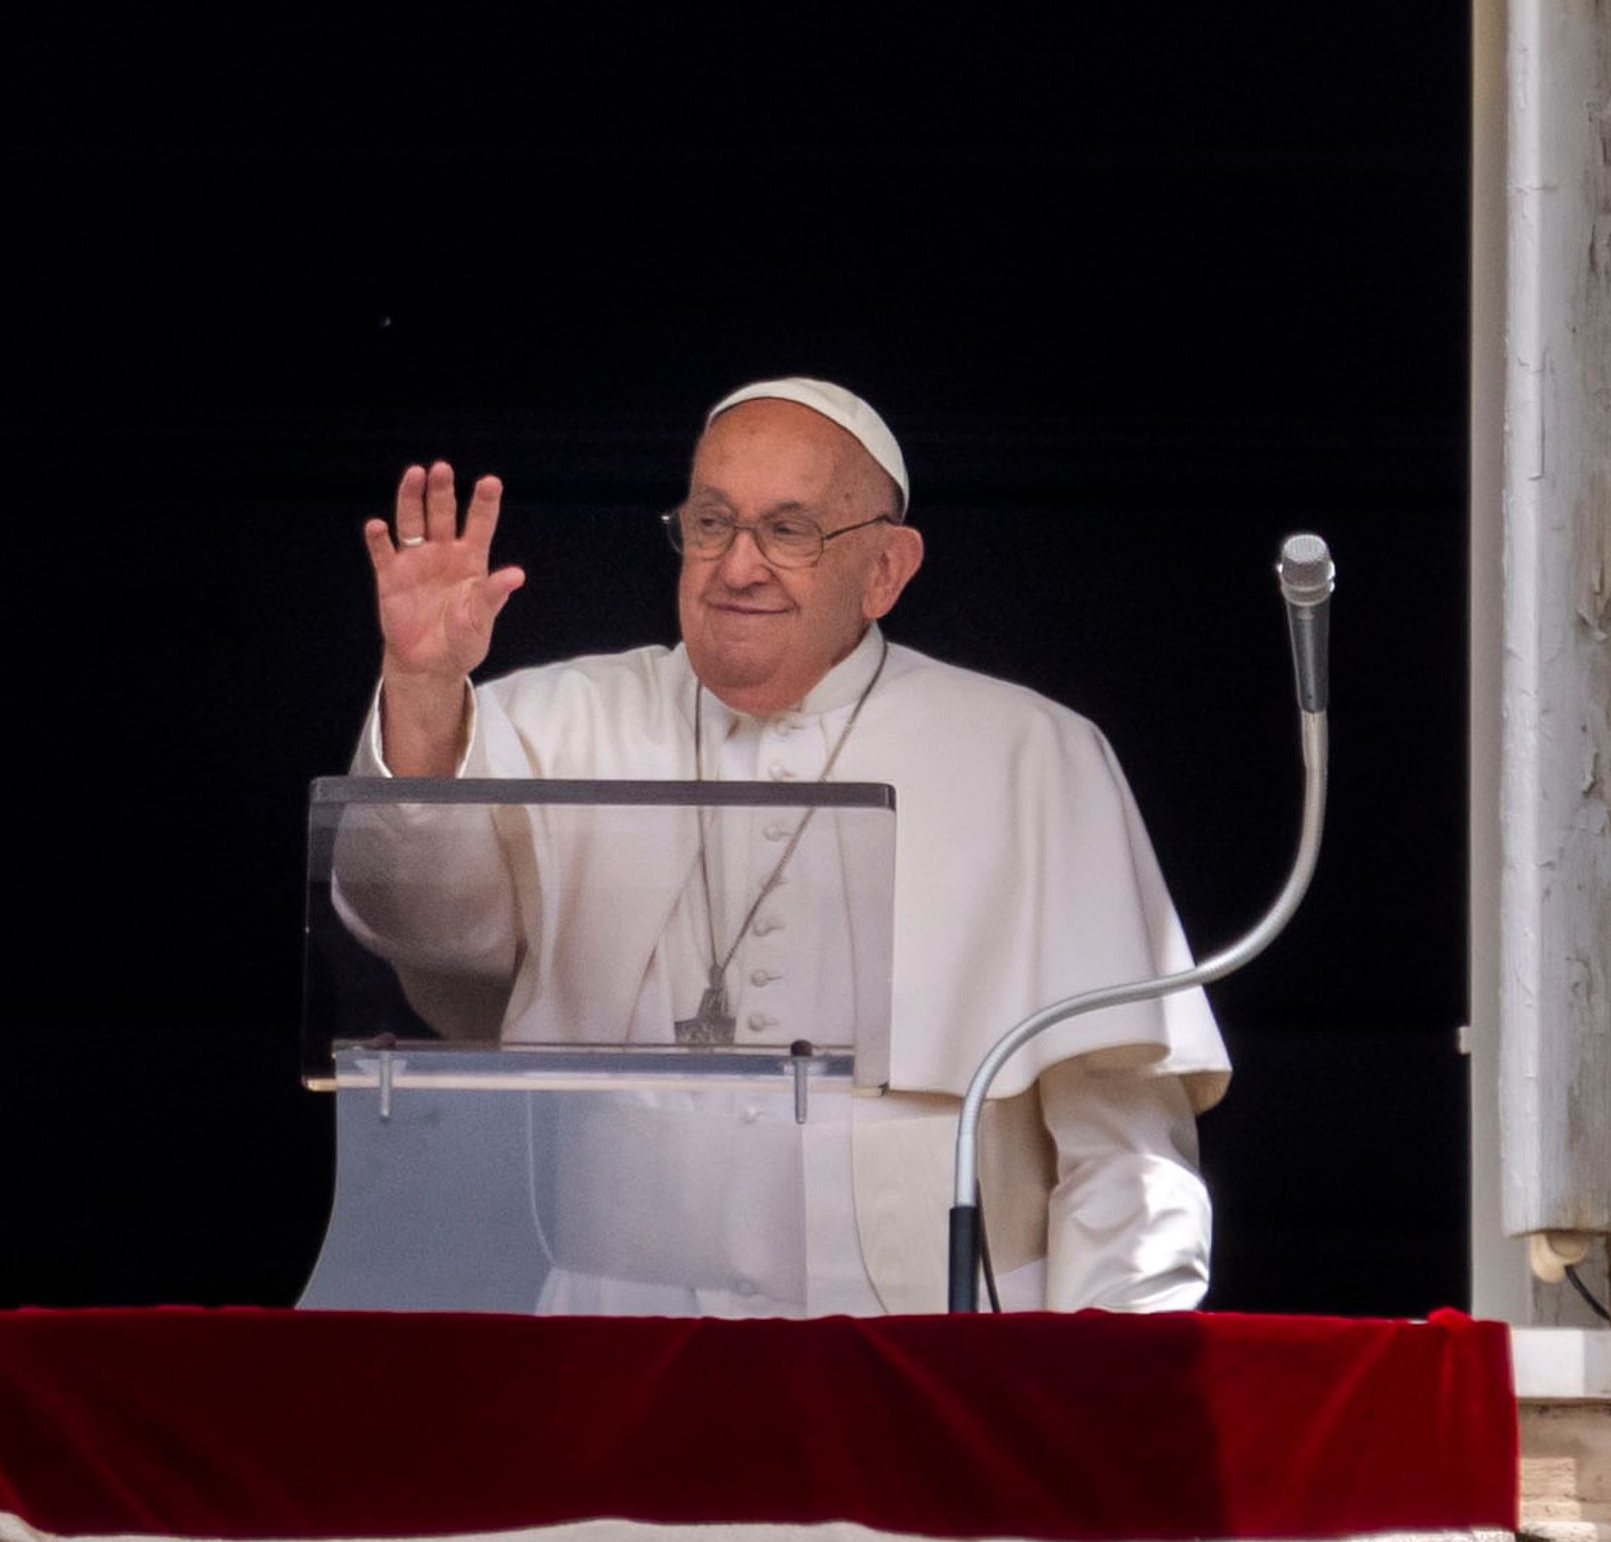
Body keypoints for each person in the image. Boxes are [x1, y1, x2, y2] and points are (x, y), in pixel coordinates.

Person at [341, 378, 1225, 1313]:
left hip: (931, 1355)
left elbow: (1124, 1150)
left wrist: (1104, 1390)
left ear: (885, 569)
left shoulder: (1034, 755)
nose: (738, 566)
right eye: (712, 522)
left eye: (789, 530)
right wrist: (426, 689)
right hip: (615, 1345)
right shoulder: (553, 721)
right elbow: (417, 921)